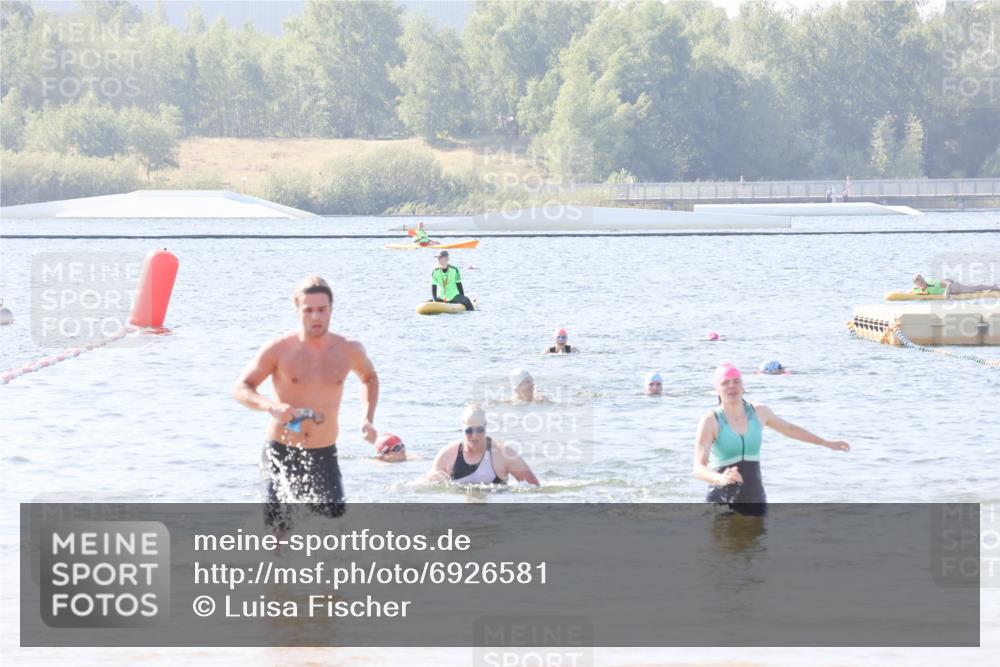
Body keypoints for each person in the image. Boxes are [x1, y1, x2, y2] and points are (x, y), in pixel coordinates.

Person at [234, 276, 379, 530]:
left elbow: (369, 378)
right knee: (277, 533)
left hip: (324, 454)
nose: (315, 317)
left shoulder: (349, 350)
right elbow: (241, 388)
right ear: (297, 310)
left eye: (322, 309)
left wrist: (367, 418)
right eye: (308, 310)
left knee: (333, 530)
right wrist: (270, 406)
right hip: (281, 451)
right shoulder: (279, 349)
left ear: (331, 309)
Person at [693, 363, 849, 516]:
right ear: (717, 389)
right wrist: (720, 478)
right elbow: (699, 468)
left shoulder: (759, 412)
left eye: (736, 381)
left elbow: (790, 429)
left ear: (743, 386)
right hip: (721, 498)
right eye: (725, 383)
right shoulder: (711, 420)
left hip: (754, 497)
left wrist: (825, 442)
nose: (732, 386)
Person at [426, 404, 539, 485]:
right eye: (469, 431)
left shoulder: (504, 454)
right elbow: (425, 485)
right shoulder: (447, 455)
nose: (474, 436)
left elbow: (535, 488)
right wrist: (430, 478)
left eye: (479, 430)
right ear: (462, 429)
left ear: (485, 427)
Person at [912, 273, 999, 297]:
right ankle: (990, 288)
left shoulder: (932, 283)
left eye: (922, 280)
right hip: (952, 291)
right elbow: (910, 291)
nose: (922, 283)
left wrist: (946, 292)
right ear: (916, 284)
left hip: (953, 286)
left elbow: (948, 283)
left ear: (923, 279)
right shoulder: (916, 289)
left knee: (973, 289)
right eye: (919, 282)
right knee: (973, 290)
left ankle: (994, 287)